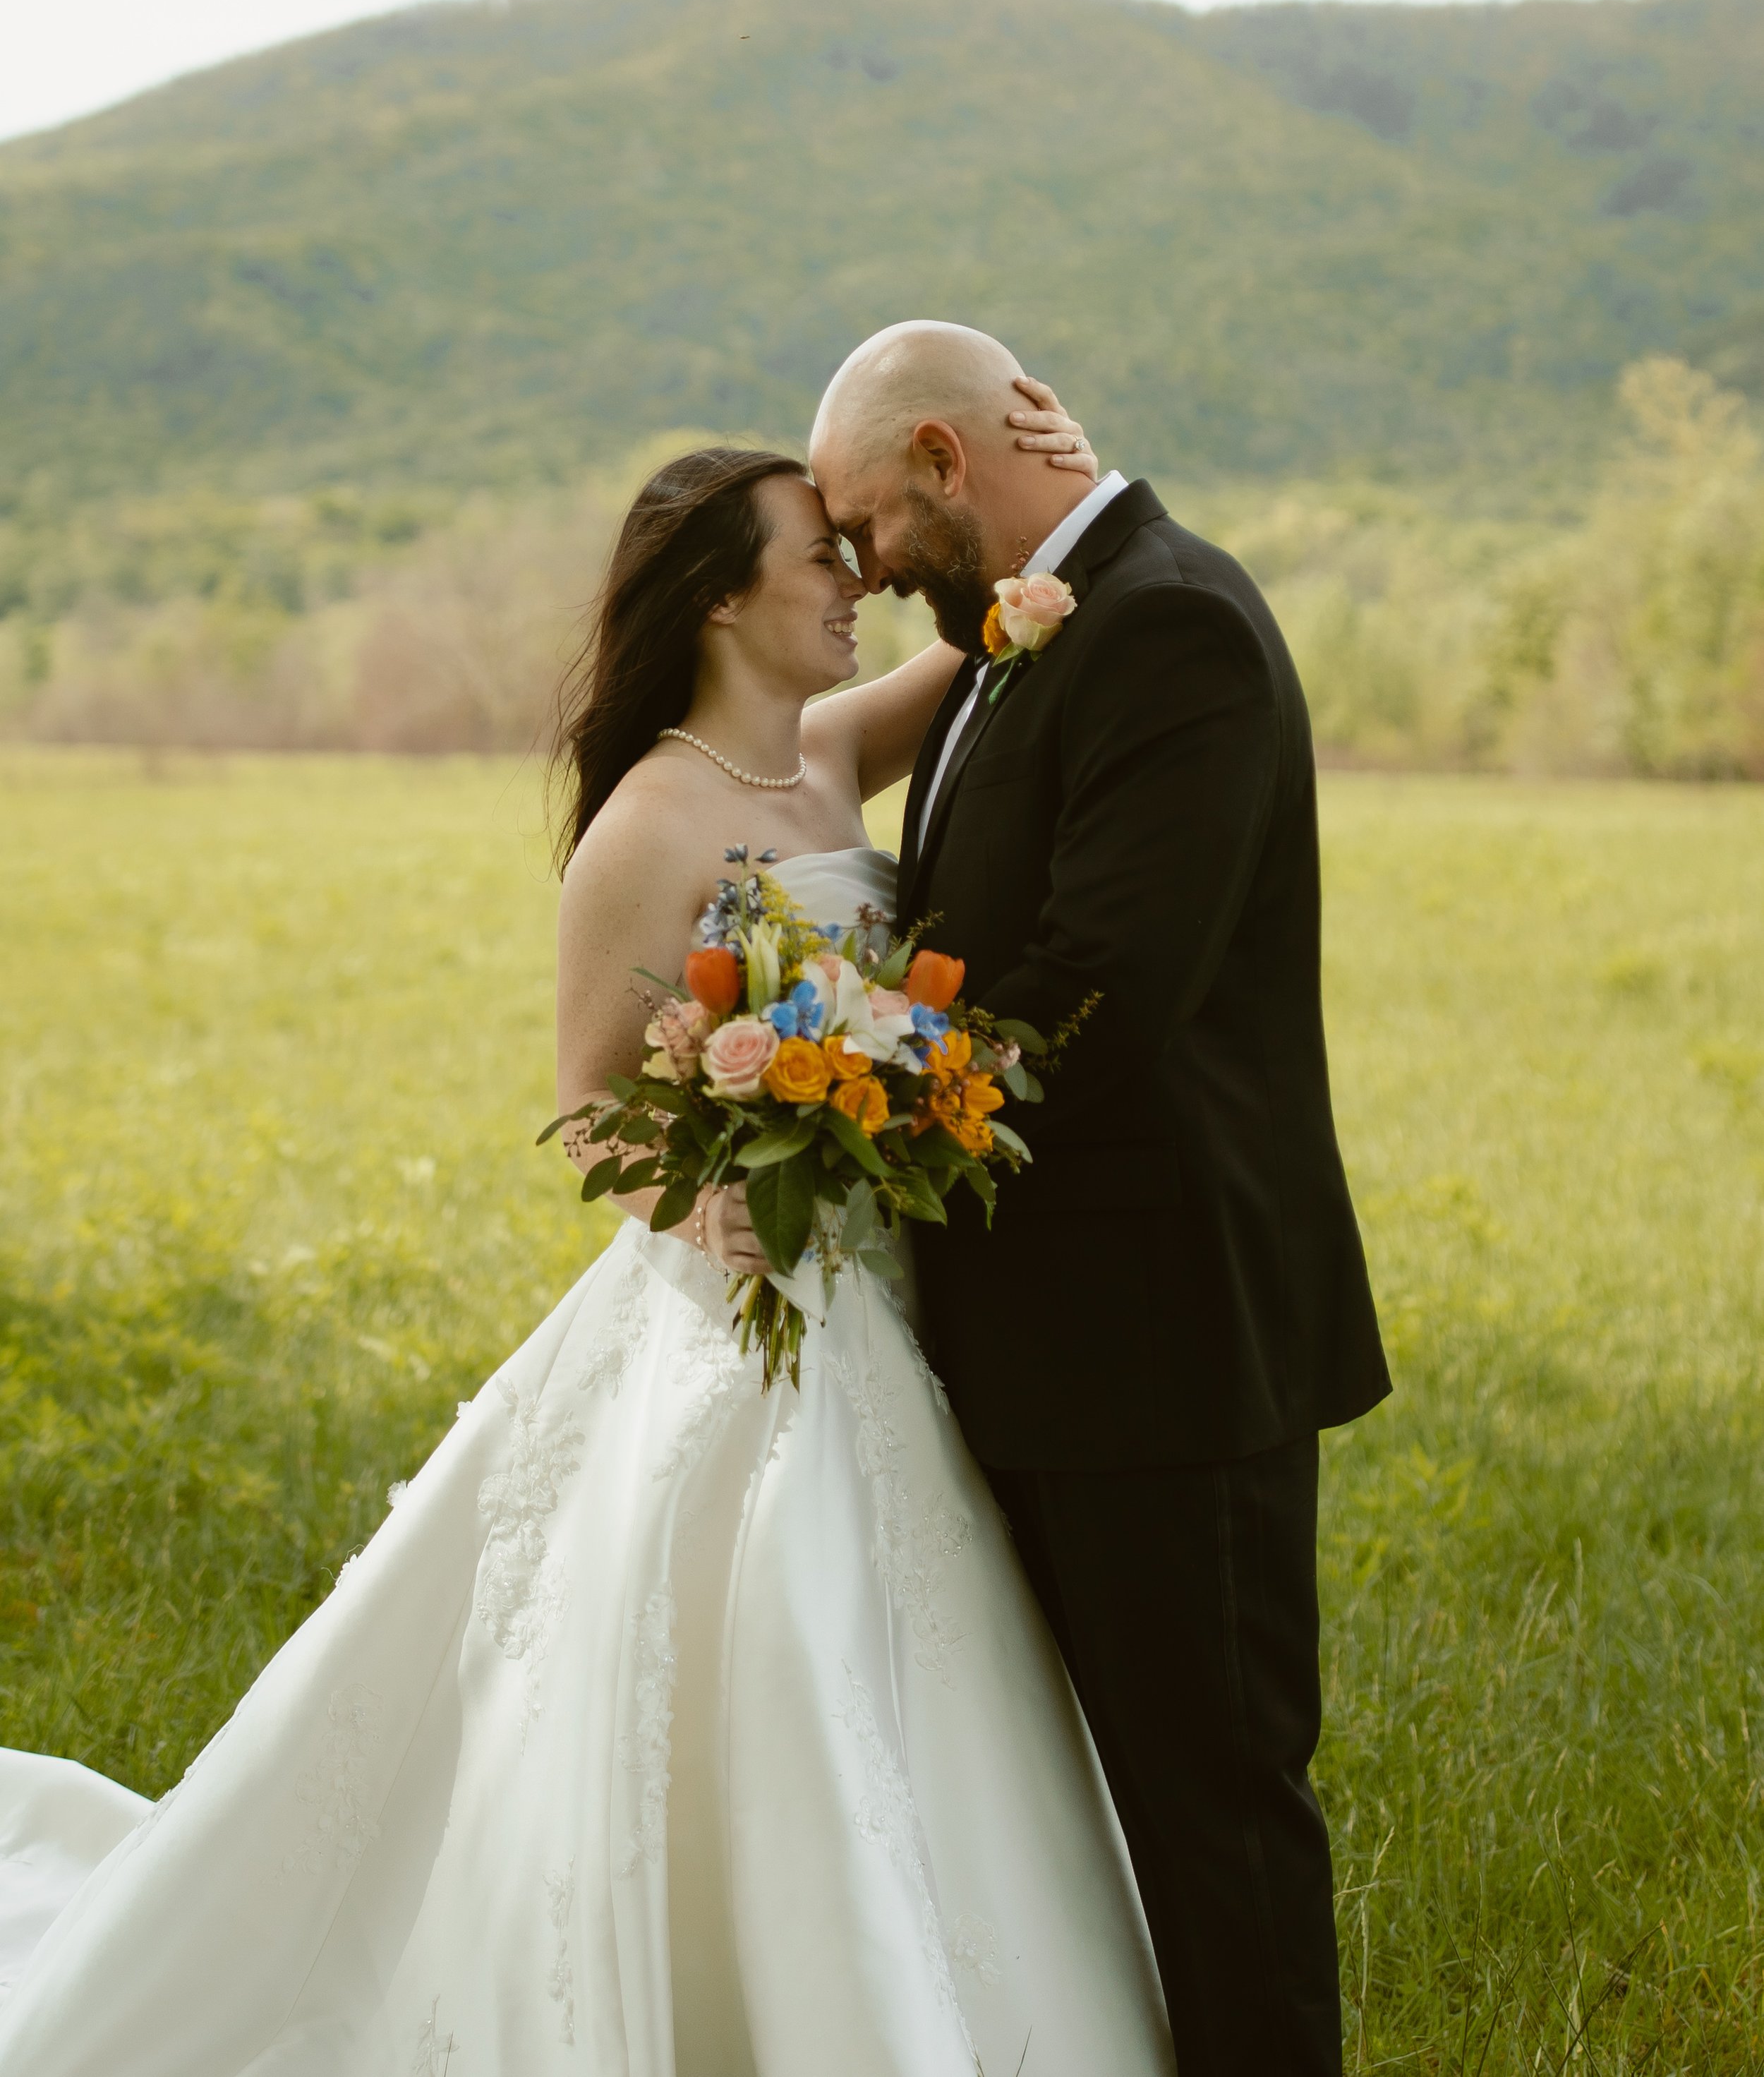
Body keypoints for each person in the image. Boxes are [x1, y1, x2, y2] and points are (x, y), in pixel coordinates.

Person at [0, 385, 1180, 2077]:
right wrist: (718, 1195)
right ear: (719, 591)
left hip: (876, 1291)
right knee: (762, 1628)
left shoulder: (829, 750)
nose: (852, 581)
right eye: (817, 558)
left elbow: (1007, 632)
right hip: (731, 1300)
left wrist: (1062, 495)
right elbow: (580, 1105)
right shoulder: (646, 820)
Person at [811, 321, 1391, 2077]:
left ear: (940, 456)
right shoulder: (1025, 622)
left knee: (1210, 1810)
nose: (856, 569)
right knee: (1096, 1816)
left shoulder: (1171, 621)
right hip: (1050, 1340)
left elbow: (1095, 997)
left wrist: (841, 1082)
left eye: (862, 527)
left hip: (1163, 1346)